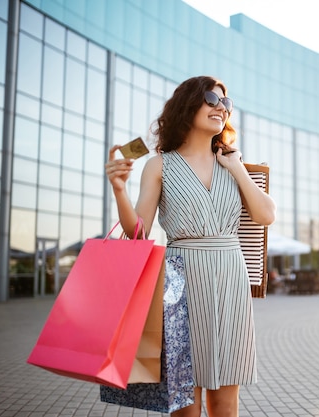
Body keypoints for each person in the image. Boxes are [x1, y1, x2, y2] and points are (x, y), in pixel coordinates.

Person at [102, 76, 276, 417]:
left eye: (226, 103)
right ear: (187, 104)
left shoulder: (234, 165)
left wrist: (237, 167)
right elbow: (138, 234)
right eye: (211, 98)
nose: (220, 107)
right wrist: (120, 190)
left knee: (226, 404)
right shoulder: (159, 165)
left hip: (230, 279)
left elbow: (265, 215)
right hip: (180, 283)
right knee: (185, 404)